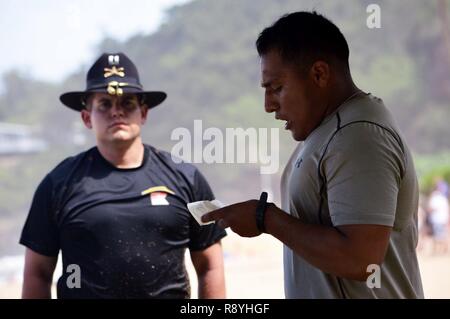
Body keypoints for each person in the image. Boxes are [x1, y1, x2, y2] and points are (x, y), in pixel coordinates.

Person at [203, 11, 424, 298]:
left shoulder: (358, 135)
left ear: (319, 74)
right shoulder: (330, 129)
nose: (269, 106)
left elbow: (361, 259)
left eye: (277, 88)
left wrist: (265, 218)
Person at [20, 52, 226, 299]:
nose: (116, 112)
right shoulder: (58, 183)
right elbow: (37, 273)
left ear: (144, 113)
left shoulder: (187, 176)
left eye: (127, 103)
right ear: (87, 118)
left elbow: (210, 265)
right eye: (104, 104)